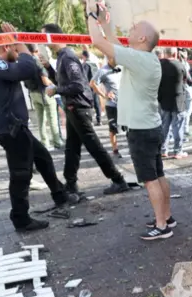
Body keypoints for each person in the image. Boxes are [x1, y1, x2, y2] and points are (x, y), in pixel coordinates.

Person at [87, 0, 176, 240]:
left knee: (149, 180)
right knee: (158, 176)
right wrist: (107, 22)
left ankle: (161, 226)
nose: (131, 29)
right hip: (150, 126)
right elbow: (113, 44)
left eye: (135, 29)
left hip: (141, 129)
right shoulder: (143, 57)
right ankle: (166, 217)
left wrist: (90, 13)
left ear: (143, 39)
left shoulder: (139, 59)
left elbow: (98, 42)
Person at [0, 22, 77, 232]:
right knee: (21, 174)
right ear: (6, 47)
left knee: (43, 158)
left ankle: (60, 195)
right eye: (13, 49)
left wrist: (16, 42)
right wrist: (19, 41)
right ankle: (21, 218)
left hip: (14, 126)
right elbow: (28, 68)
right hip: (11, 129)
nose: (17, 52)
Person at [41, 23, 129, 197]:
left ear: (54, 36)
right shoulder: (61, 57)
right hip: (73, 107)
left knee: (94, 146)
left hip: (78, 107)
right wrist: (50, 70)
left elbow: (78, 86)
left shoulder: (67, 57)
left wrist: (56, 90)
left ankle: (118, 179)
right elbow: (65, 81)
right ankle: (71, 184)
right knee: (72, 148)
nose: (43, 41)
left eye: (44, 37)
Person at [25, 44, 63, 150]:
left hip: (33, 93)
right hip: (44, 93)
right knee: (52, 119)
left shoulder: (25, 62)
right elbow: (45, 81)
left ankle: (45, 142)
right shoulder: (38, 62)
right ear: (37, 50)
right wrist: (55, 82)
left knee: (40, 119)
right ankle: (57, 142)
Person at [159, 47, 188, 159]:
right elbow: (187, 80)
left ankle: (163, 150)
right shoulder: (180, 65)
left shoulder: (159, 65)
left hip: (164, 100)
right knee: (178, 127)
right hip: (178, 100)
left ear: (164, 54)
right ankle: (177, 151)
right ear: (175, 54)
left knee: (164, 126)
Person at [91, 60, 123, 157]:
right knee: (113, 128)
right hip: (112, 104)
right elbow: (92, 83)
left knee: (129, 127)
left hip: (125, 104)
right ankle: (115, 150)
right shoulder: (103, 70)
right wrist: (104, 95)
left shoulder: (122, 67)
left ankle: (132, 148)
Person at [80, 50, 102, 126]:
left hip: (88, 87)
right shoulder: (93, 64)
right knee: (97, 103)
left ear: (83, 56)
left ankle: (90, 120)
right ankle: (99, 120)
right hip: (95, 85)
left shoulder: (85, 65)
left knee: (89, 104)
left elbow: (84, 76)